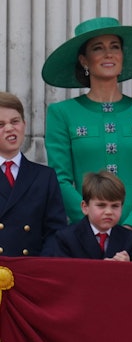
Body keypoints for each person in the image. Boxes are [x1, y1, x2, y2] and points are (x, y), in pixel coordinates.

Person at [41, 17, 132, 262]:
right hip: (81, 239)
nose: (108, 54)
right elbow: (60, 178)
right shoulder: (62, 113)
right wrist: (92, 225)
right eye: (98, 48)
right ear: (84, 60)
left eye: (114, 46)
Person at [0, 91, 67, 256]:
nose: (9, 128)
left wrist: (40, 267)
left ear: (24, 124)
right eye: (0, 124)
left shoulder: (45, 177)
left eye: (15, 121)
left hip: (32, 271)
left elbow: (55, 232)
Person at [53, 171, 132, 261]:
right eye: (101, 205)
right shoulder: (67, 238)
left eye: (115, 206)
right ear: (85, 207)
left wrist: (129, 266)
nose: (109, 212)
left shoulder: (129, 238)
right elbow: (62, 272)